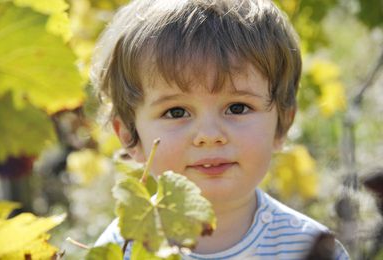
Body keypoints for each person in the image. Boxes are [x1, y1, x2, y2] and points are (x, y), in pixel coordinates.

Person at [91, 0, 350, 259]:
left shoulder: (311, 249)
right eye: (176, 112)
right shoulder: (119, 251)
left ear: (282, 124)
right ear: (129, 135)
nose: (209, 135)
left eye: (237, 108)